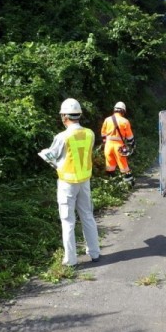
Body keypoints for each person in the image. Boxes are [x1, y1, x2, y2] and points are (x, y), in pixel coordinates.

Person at [45, 98, 101, 266]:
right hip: (84, 181)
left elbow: (53, 156)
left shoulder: (62, 136)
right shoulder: (90, 133)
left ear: (64, 116)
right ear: (79, 115)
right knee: (87, 216)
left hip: (67, 182)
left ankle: (71, 259)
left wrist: (47, 156)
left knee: (68, 220)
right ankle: (94, 252)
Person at [101, 101, 135, 185]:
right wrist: (132, 144)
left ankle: (110, 184)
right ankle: (129, 183)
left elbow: (103, 134)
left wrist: (106, 142)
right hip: (119, 147)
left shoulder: (107, 120)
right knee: (124, 166)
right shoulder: (125, 121)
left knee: (110, 166)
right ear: (123, 111)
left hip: (108, 146)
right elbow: (130, 137)